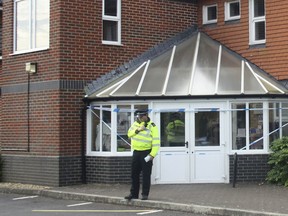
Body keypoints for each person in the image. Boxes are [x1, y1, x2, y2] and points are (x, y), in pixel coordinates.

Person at [124, 109, 160, 201]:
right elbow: (129, 134)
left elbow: (156, 142)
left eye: (141, 116)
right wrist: (138, 130)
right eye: (138, 117)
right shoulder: (135, 124)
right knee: (134, 174)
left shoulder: (152, 126)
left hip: (146, 152)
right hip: (136, 152)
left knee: (146, 174)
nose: (140, 118)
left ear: (146, 115)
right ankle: (133, 194)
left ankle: (145, 194)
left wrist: (152, 155)